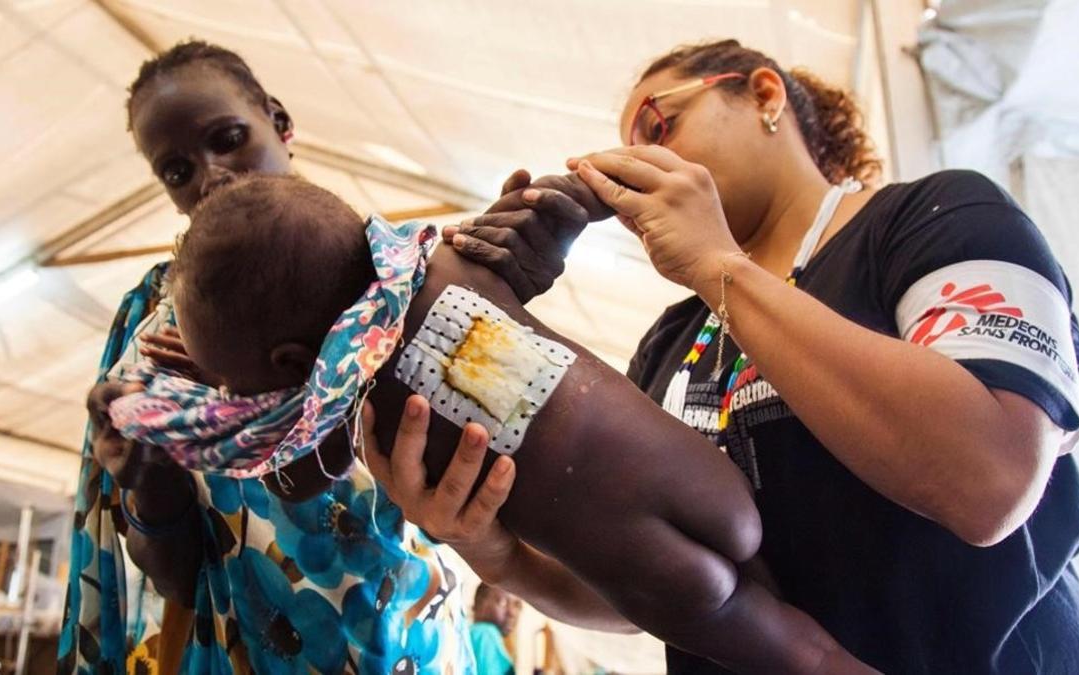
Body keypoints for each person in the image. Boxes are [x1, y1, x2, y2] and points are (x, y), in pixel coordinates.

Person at [369, 39, 1079, 674]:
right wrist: (495, 550)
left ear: (764, 94)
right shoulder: (670, 339)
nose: (636, 166)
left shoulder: (934, 218)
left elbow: (988, 476)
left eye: (658, 125)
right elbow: (645, 583)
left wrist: (719, 265)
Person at [129, 172, 870, 673]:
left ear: (292, 360)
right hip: (702, 475)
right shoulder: (458, 266)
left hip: (642, 565)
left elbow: (299, 468)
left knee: (801, 656)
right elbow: (553, 212)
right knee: (792, 605)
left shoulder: (365, 400)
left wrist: (221, 390)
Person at [59, 40, 586, 674]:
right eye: (176, 171)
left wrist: (503, 302)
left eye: (228, 137)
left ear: (280, 122)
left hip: (416, 657)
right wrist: (151, 486)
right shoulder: (150, 325)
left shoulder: (402, 278)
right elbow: (178, 580)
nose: (211, 176)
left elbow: (533, 487)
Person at [470, 585, 517, 675]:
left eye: (517, 605)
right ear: (479, 604)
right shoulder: (485, 633)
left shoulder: (472, 634)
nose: (512, 612)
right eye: (502, 602)